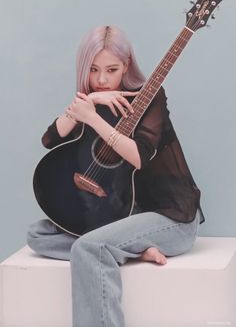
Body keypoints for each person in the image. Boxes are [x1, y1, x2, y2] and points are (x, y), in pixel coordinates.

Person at [27, 25, 205, 327]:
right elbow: (49, 140)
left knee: (88, 247)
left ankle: (116, 251)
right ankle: (132, 250)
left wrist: (93, 119)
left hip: (169, 217)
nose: (101, 79)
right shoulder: (96, 97)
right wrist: (90, 104)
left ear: (127, 65)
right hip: (122, 216)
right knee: (38, 234)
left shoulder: (151, 97)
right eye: (93, 70)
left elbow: (139, 156)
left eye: (111, 69)